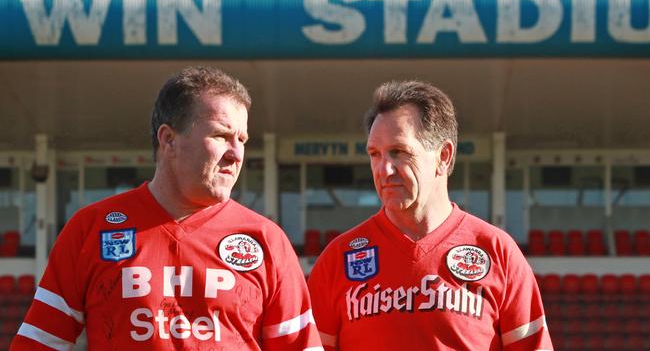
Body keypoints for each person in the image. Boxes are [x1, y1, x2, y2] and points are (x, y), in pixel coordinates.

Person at [12, 66, 323, 350]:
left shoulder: (266, 240)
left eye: (241, 139)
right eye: (221, 135)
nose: (236, 154)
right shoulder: (92, 228)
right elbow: (39, 344)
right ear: (169, 139)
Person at [307, 80, 552, 350]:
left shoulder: (497, 252)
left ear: (443, 156)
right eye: (375, 155)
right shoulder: (337, 260)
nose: (384, 170)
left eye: (399, 152)